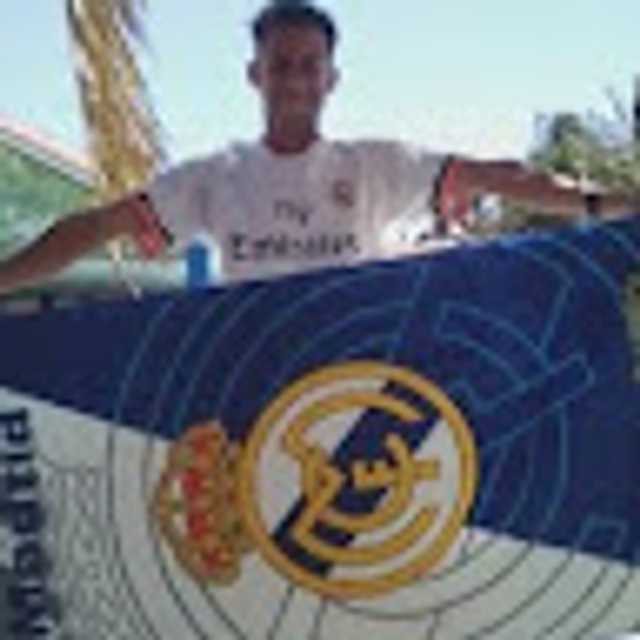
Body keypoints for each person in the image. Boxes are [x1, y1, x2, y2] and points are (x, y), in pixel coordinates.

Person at [0, 2, 633, 294]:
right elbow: (92, 228)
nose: (296, 80)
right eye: (282, 65)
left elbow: (497, 176)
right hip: (257, 377)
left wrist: (602, 205)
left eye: (310, 66)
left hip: (359, 373)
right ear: (256, 75)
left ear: (332, 78)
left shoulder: (377, 166)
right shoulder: (211, 180)